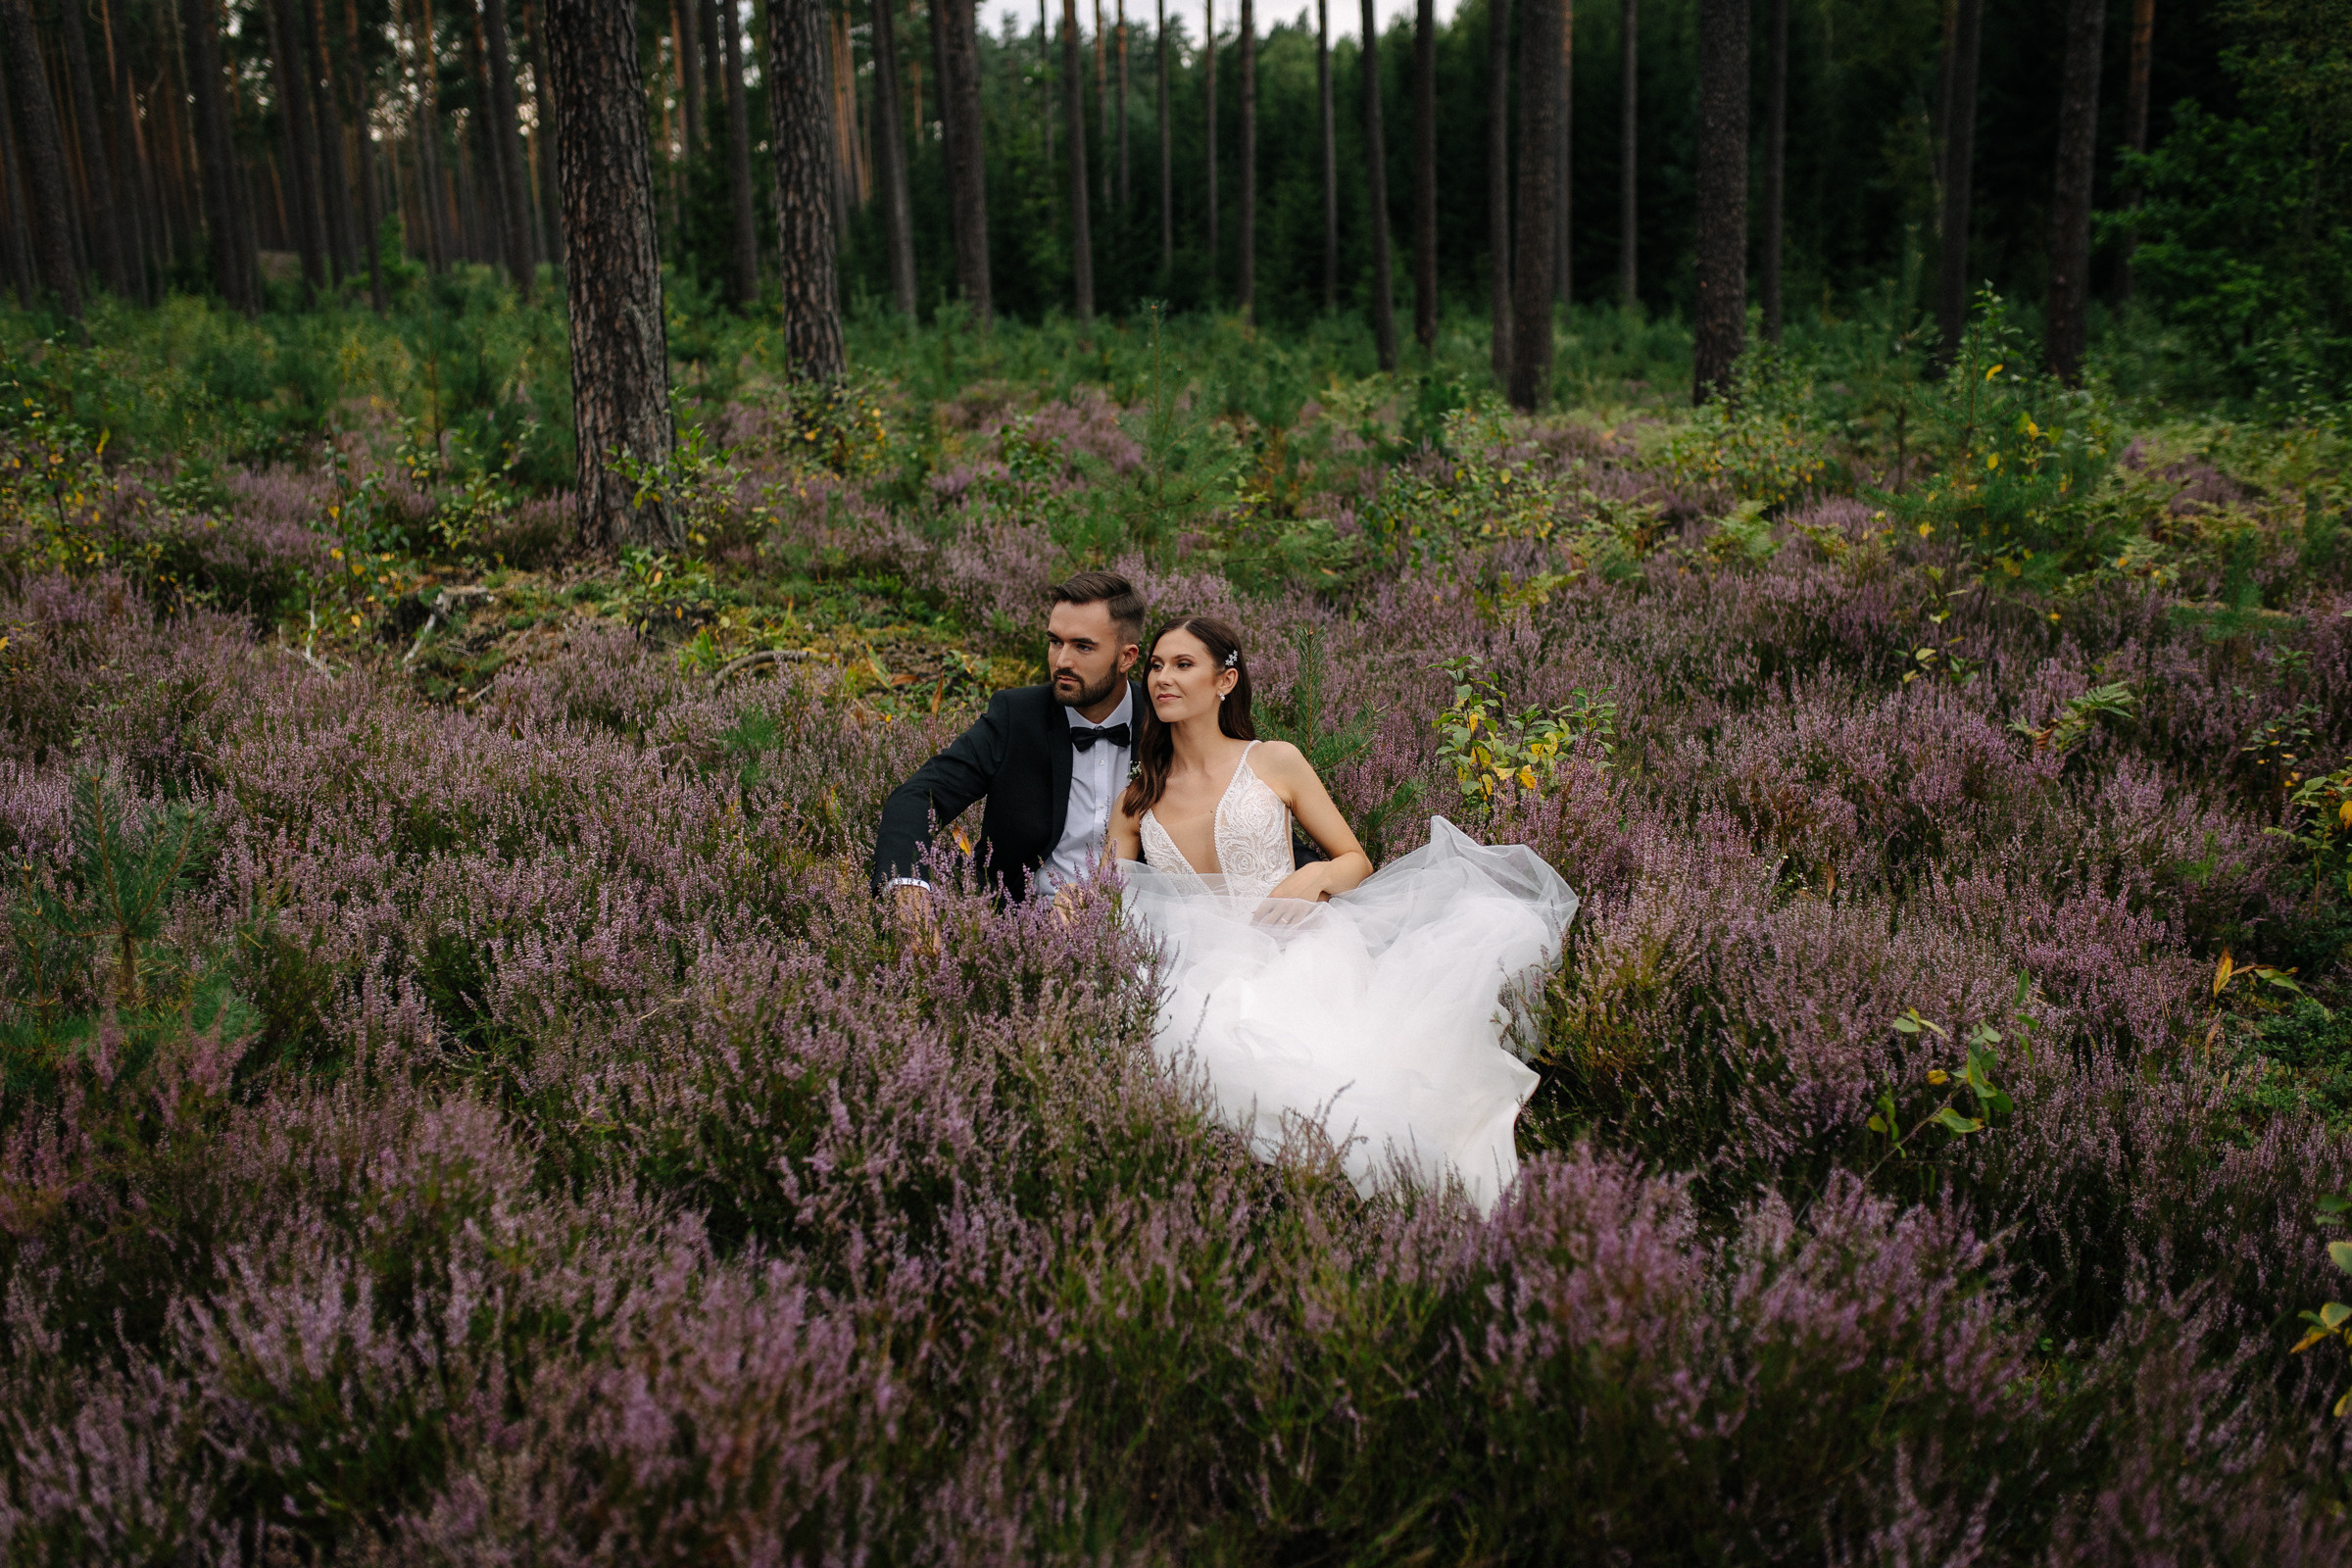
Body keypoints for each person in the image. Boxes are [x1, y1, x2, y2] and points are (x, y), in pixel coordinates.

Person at [1110, 616, 1579, 1215]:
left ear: (1225, 681)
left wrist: (1316, 876)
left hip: (1300, 951)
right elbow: (1108, 895)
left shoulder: (1274, 761)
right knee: (1207, 1048)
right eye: (1155, 665)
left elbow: (1355, 860)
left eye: (1182, 665)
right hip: (1196, 971)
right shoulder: (1137, 799)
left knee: (1338, 1083)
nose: (1162, 678)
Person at [871, 570, 1147, 905]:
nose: (1062, 660)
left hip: (1143, 918)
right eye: (1055, 641)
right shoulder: (1016, 716)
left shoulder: (1164, 721)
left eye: (1083, 646)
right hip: (1023, 917)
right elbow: (920, 796)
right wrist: (908, 886)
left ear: (1127, 657)